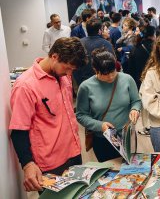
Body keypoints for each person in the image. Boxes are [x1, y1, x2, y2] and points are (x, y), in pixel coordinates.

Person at [9, 37, 88, 192]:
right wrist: (28, 164)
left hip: (74, 152)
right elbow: (18, 131)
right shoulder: (25, 86)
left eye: (73, 69)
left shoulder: (64, 75)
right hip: (51, 164)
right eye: (68, 68)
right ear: (54, 56)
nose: (69, 73)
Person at [76, 49, 141, 162]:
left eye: (113, 71)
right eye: (105, 74)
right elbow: (81, 115)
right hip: (102, 139)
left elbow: (136, 101)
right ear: (95, 70)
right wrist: (100, 125)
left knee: (128, 170)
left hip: (126, 136)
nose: (110, 77)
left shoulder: (127, 79)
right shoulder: (86, 87)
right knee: (109, 173)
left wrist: (135, 109)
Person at [73, 18, 114, 86]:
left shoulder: (78, 43)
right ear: (99, 31)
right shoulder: (106, 44)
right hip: (102, 83)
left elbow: (74, 64)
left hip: (82, 82)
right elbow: (111, 64)